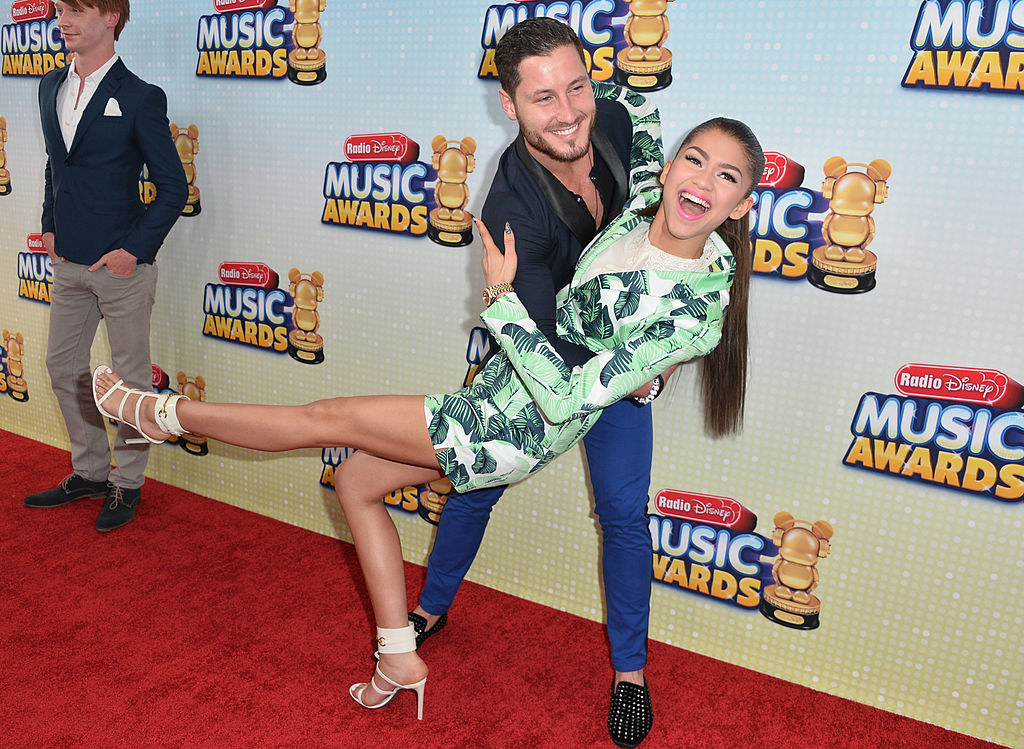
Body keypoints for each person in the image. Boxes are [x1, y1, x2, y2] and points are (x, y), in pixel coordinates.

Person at [90, 116, 764, 730]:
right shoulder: (646, 194)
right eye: (694, 160)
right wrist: (579, 96)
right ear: (672, 163)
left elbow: (566, 398)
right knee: (355, 481)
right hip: (505, 393)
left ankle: (160, 413)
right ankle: (399, 651)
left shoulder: (697, 307)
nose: (702, 179)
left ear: (742, 204)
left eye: (725, 176)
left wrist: (500, 296)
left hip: (528, 417)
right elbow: (636, 117)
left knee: (328, 418)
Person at [412, 20, 667, 746]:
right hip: (547, 362)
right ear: (509, 105)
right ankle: (431, 607)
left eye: (578, 87)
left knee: (623, 515)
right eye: (544, 98)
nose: (569, 112)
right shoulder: (510, 208)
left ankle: (630, 675)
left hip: (623, 369)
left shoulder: (611, 119)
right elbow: (544, 332)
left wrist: (662, 347)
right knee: (476, 482)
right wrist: (637, 361)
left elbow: (661, 211)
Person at [23, 0, 187, 532]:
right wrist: (49, 223)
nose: (63, 21)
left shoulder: (140, 97)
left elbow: (173, 190)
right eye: (59, 12)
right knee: (62, 368)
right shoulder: (49, 86)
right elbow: (56, 164)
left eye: (76, 10)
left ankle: (128, 483)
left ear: (111, 16)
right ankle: (91, 471)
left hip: (121, 269)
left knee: (133, 383)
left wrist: (133, 252)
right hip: (67, 261)